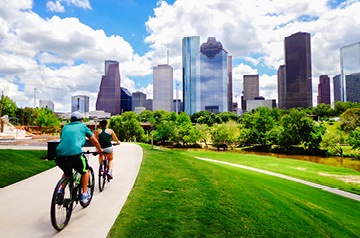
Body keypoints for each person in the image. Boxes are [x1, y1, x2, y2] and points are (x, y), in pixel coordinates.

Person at [55, 111, 103, 203]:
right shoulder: (83, 126)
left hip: (59, 155)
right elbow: (95, 141)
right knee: (85, 171)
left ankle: (60, 191)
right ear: (81, 120)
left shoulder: (65, 127)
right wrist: (99, 150)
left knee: (67, 172)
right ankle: (84, 194)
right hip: (75, 154)